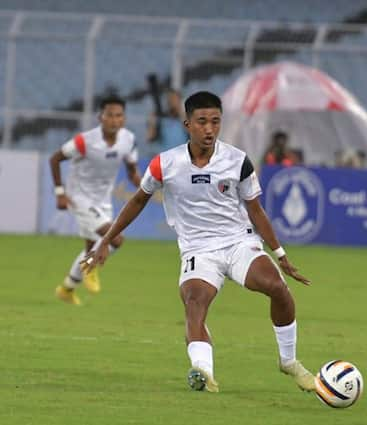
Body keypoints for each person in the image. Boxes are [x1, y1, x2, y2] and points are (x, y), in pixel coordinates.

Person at [83, 91, 316, 394]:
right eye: (202, 122)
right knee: (195, 303)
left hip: (238, 243)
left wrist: (280, 253)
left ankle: (289, 361)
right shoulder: (165, 164)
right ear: (187, 124)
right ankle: (204, 372)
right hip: (197, 250)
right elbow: (138, 201)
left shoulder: (237, 161)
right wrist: (106, 240)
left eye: (215, 122)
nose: (209, 129)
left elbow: (255, 209)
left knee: (277, 287)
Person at [50, 95, 141, 305]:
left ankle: (67, 288)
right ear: (101, 117)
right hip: (79, 196)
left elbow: (132, 172)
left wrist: (148, 186)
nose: (114, 120)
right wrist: (60, 193)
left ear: (124, 119)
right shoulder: (85, 141)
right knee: (115, 238)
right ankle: (90, 267)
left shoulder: (128, 140)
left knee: (91, 245)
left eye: (119, 115)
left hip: (103, 200)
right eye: (109, 115)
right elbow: (55, 158)